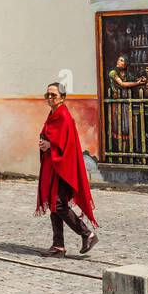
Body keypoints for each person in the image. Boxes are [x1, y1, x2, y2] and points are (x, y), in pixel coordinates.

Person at [37, 82, 98, 257]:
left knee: (58, 204)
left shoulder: (64, 116)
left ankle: (88, 234)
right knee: (54, 205)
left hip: (64, 167)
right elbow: (49, 136)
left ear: (62, 97)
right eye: (47, 95)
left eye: (53, 95)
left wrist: (50, 145)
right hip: (55, 167)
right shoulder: (53, 114)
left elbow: (68, 145)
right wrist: (44, 143)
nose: (49, 98)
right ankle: (58, 246)